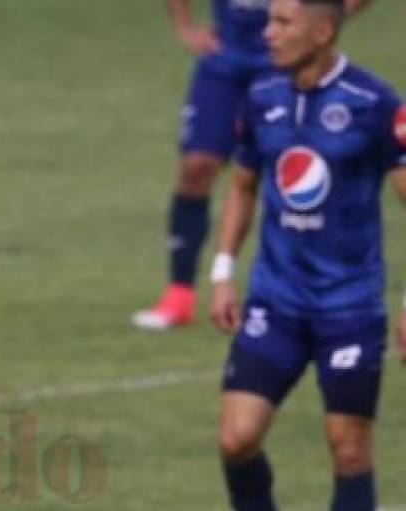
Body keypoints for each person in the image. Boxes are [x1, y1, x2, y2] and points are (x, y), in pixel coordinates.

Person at [209, 0, 406, 511]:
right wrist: (221, 269)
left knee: (347, 448)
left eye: (281, 22)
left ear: (322, 30)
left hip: (349, 307)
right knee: (236, 439)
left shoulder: (375, 103)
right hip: (276, 301)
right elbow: (242, 184)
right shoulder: (260, 95)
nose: (266, 32)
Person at [133, 0, 370, 330]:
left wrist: (322, 22)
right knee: (196, 168)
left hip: (285, 62)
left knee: (299, 178)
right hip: (224, 61)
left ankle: (311, 290)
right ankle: (179, 296)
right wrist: (184, 26)